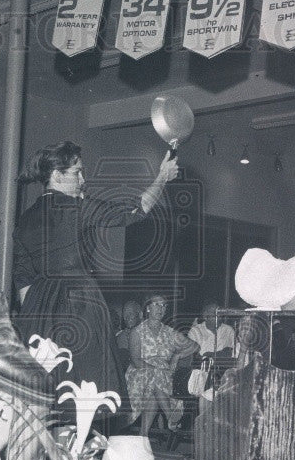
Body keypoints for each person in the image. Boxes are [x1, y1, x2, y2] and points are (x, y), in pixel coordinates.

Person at [13, 141, 178, 397]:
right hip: (79, 304)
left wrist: (36, 318)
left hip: (36, 309)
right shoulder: (78, 208)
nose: (82, 178)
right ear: (56, 175)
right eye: (77, 171)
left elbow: (23, 279)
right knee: (84, 390)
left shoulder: (25, 219)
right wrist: (162, 178)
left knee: (43, 391)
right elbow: (136, 209)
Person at [126, 294, 198, 438]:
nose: (161, 309)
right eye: (157, 305)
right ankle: (170, 416)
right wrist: (157, 369)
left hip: (162, 377)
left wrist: (177, 356)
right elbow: (135, 360)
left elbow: (195, 346)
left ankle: (143, 436)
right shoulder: (137, 332)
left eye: (164, 306)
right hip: (140, 373)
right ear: (148, 308)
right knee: (156, 377)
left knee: (155, 388)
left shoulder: (169, 333)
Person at [187, 301, 236, 405]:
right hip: (202, 371)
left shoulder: (228, 330)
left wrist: (211, 354)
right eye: (215, 314)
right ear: (206, 316)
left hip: (223, 372)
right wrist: (221, 353)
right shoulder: (196, 331)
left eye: (220, 314)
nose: (219, 316)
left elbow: (231, 353)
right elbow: (196, 356)